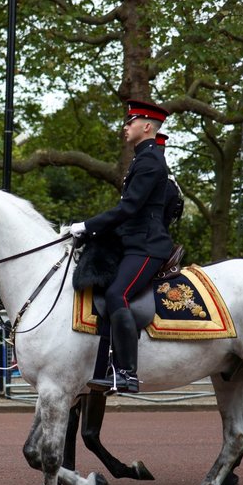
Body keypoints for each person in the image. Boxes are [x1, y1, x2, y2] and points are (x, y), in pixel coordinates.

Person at [70, 100, 174, 394]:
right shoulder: (142, 158)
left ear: (147, 127)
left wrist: (87, 225)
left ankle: (126, 373)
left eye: (131, 122)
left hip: (147, 245)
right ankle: (102, 363)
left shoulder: (151, 160)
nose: (125, 127)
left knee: (118, 294)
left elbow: (129, 208)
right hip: (133, 241)